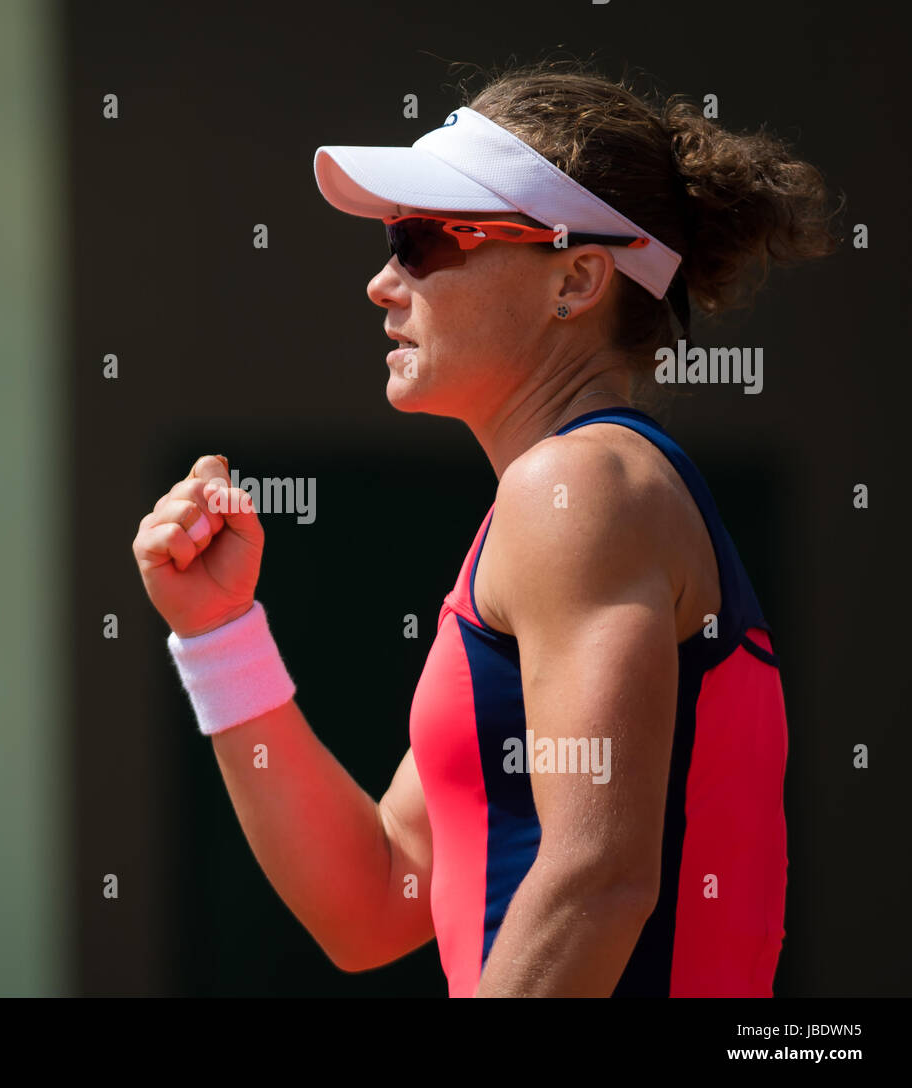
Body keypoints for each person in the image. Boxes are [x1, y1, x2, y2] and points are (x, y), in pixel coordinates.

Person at [131, 61, 842, 997]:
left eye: (423, 240)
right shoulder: (568, 501)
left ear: (577, 279)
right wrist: (218, 633)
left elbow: (597, 878)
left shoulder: (581, 488)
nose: (383, 283)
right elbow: (377, 900)